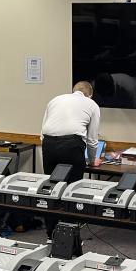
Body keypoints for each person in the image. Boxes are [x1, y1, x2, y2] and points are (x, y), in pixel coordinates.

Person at [40, 81, 101, 236]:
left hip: (48, 143)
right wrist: (93, 159)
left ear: (73, 91)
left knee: (52, 187)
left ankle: (50, 231)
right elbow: (92, 139)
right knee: (72, 190)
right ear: (90, 94)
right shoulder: (91, 104)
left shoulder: (55, 99)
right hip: (72, 145)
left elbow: (42, 132)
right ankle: (70, 231)